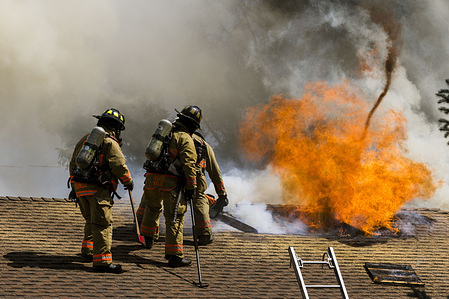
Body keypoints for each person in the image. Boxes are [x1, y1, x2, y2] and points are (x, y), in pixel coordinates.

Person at [69, 108, 133, 274]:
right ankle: (102, 261)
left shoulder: (85, 140)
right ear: (116, 127)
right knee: (103, 224)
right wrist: (129, 181)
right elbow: (119, 165)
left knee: (91, 220)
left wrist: (75, 187)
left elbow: (73, 163)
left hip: (80, 188)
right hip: (98, 190)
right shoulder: (110, 142)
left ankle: (88, 251)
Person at [140, 105, 200, 267]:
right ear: (193, 125)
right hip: (169, 183)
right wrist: (191, 187)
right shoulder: (185, 138)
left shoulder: (164, 134)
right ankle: (174, 255)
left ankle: (148, 237)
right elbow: (189, 165)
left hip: (151, 178)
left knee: (152, 208)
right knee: (175, 217)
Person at [192, 131, 228, 245]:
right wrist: (222, 195)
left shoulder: (172, 137)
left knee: (156, 192)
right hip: (195, 180)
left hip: (171, 178)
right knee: (200, 200)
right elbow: (215, 173)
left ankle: (147, 231)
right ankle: (204, 234)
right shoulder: (204, 145)